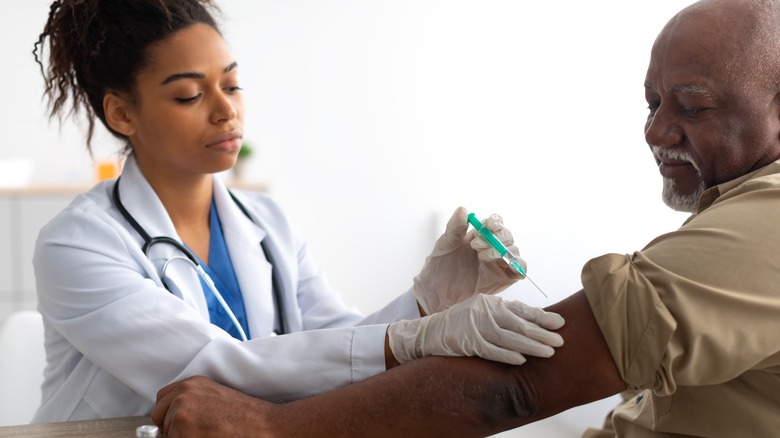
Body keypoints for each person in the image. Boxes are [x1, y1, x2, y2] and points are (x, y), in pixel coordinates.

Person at [151, 0, 780, 436]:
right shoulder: (77, 243)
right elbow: (195, 364)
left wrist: (273, 426)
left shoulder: (765, 222)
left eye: (692, 108)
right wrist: (417, 319)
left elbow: (513, 389)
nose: (656, 130)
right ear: (120, 115)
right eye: (651, 101)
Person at [30, 0, 567, 423]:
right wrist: (414, 339)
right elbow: (210, 372)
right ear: (123, 113)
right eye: (191, 95)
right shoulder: (76, 245)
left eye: (233, 85)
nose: (226, 110)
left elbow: (339, 343)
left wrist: (429, 302)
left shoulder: (266, 223)